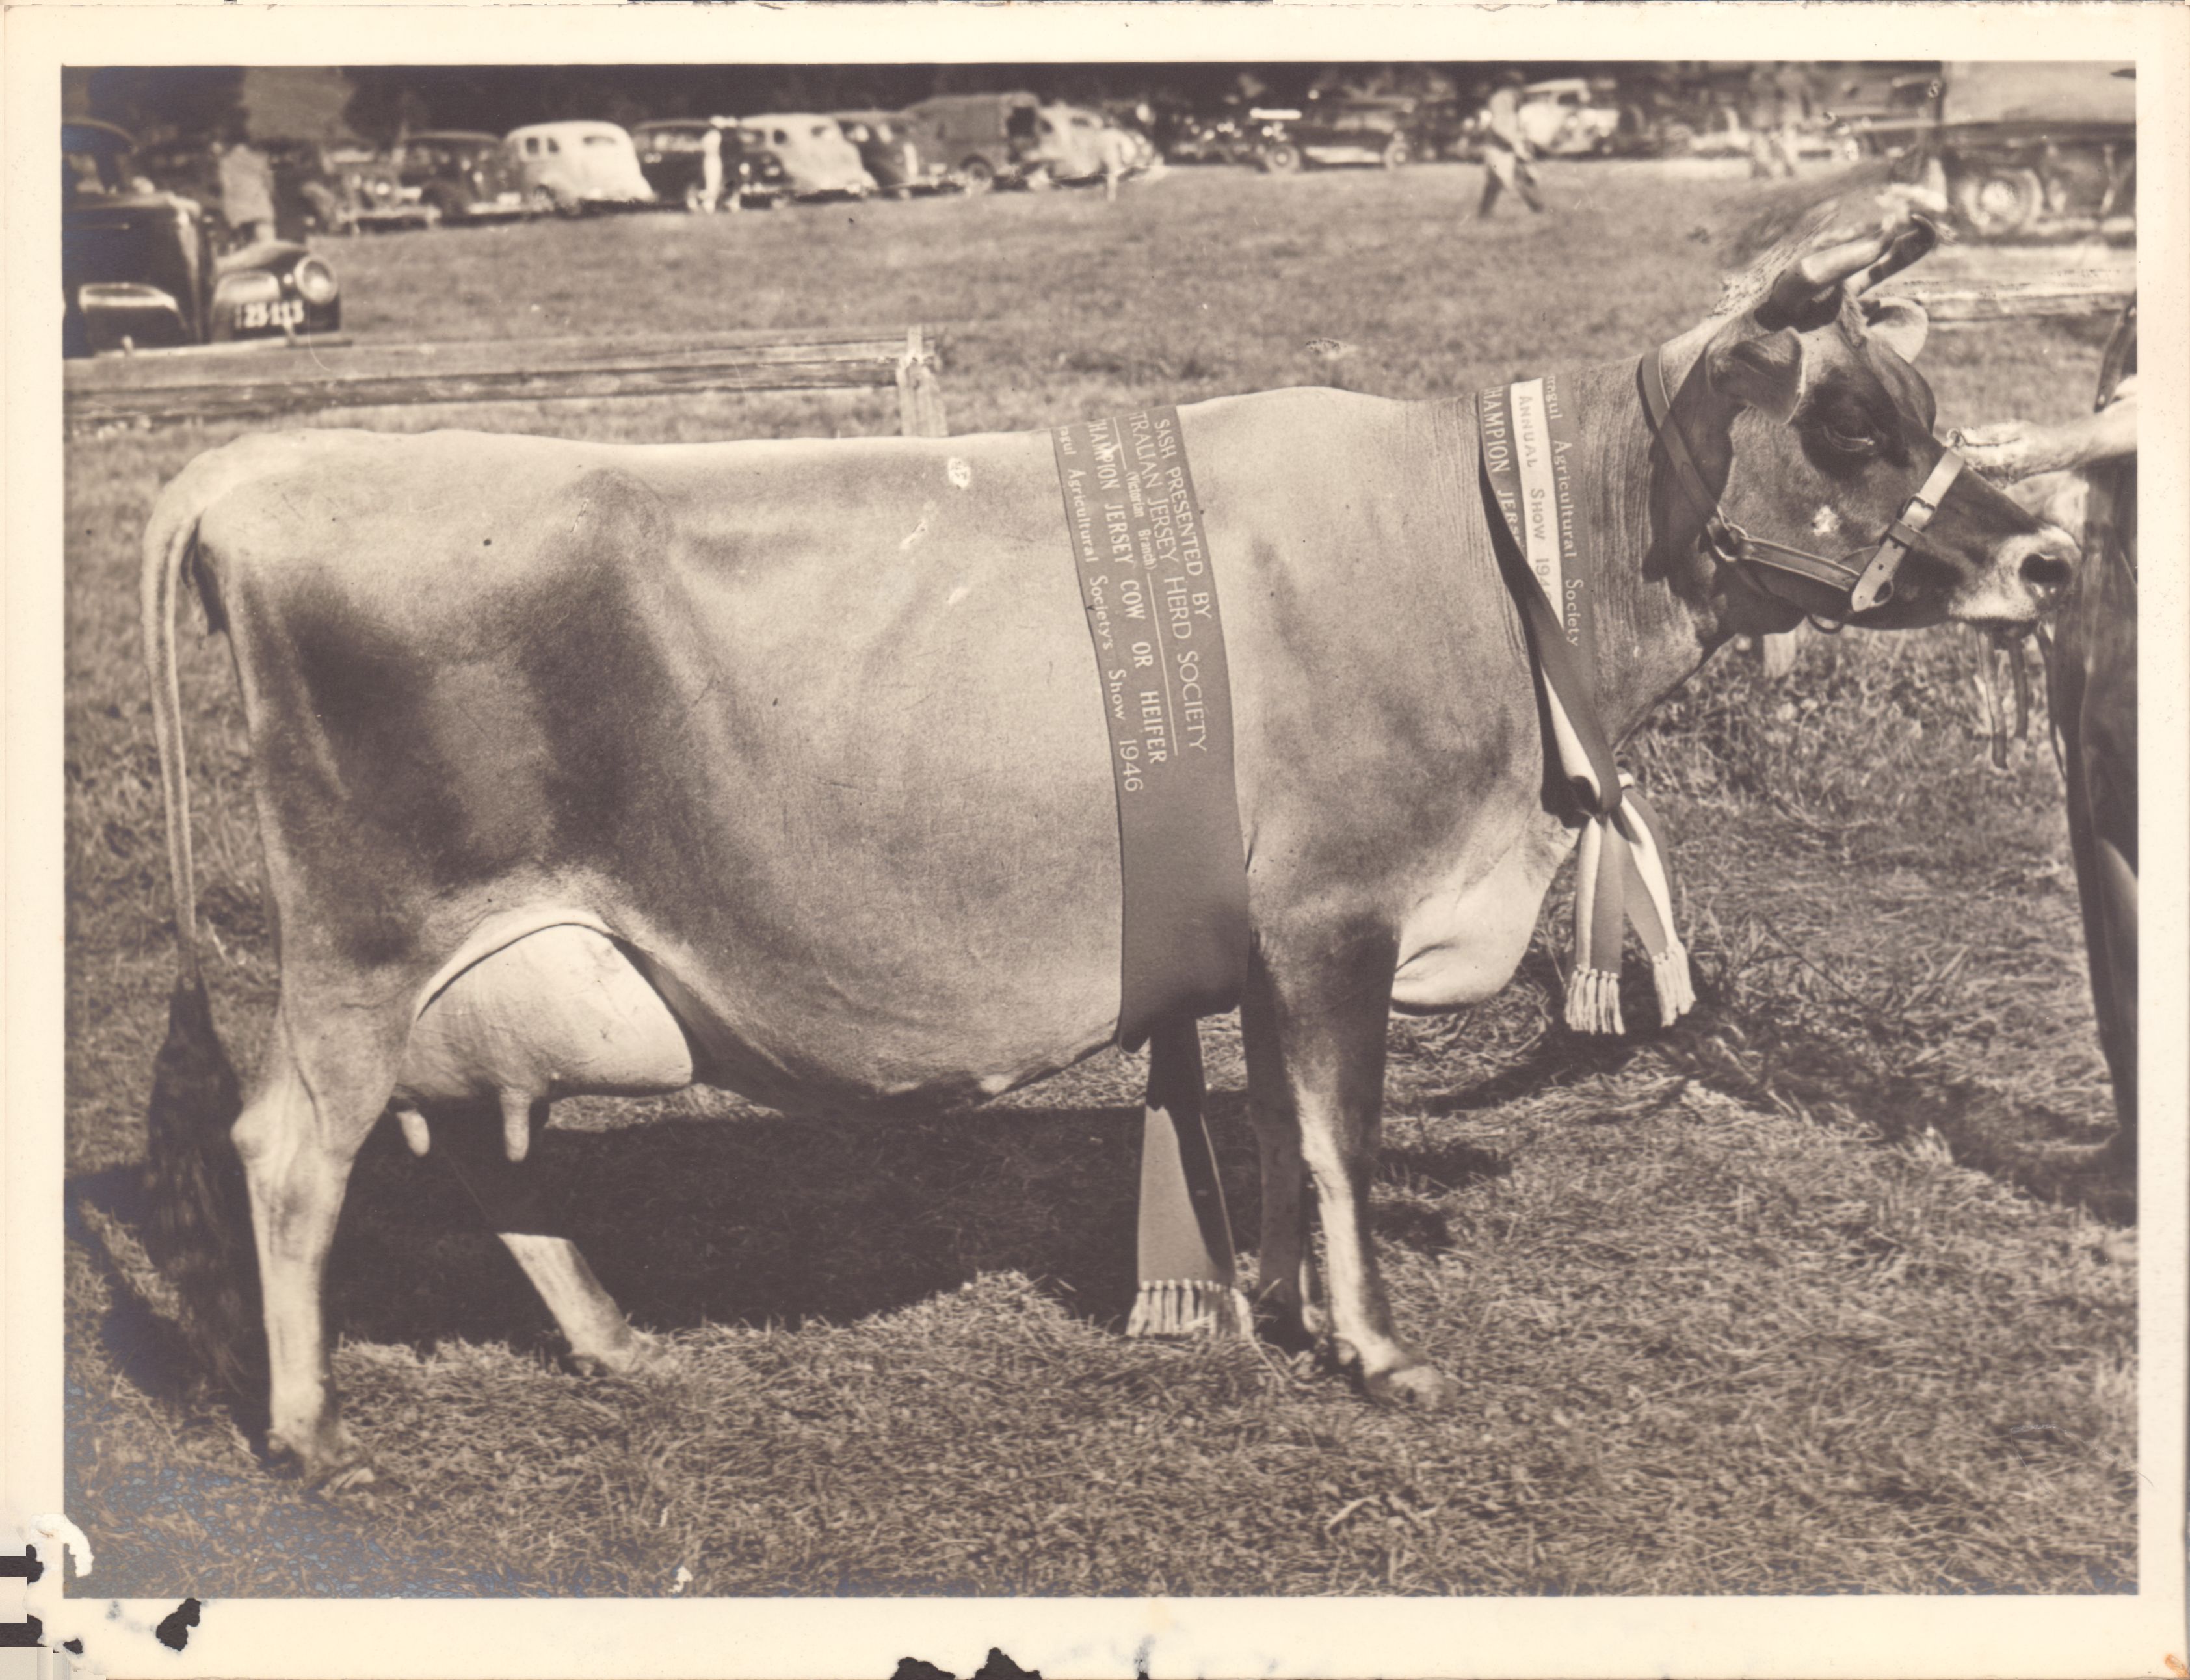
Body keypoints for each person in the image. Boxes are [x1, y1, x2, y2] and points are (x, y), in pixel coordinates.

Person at [1959, 304, 2138, 1171]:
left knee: (2136, 857)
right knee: (2111, 862)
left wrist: (2044, 446)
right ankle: (2143, 1135)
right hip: (2117, 598)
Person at [1474, 68, 1544, 219]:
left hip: (1507, 145)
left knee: (1518, 177)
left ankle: (1538, 209)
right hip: (1501, 147)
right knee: (1501, 179)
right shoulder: (1502, 99)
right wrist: (1515, 143)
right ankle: (1538, 209)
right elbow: (1499, 126)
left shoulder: (1509, 98)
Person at [215, 131, 278, 246]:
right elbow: (269, 183)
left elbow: (227, 187)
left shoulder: (226, 161)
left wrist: (229, 211)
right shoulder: (261, 157)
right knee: (268, 244)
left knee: (247, 245)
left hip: (239, 210)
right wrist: (271, 197)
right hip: (261, 206)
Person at [699, 120, 726, 213]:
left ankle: (710, 203)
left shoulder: (708, 136)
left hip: (709, 158)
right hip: (713, 158)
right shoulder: (715, 135)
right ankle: (709, 204)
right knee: (713, 181)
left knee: (712, 181)